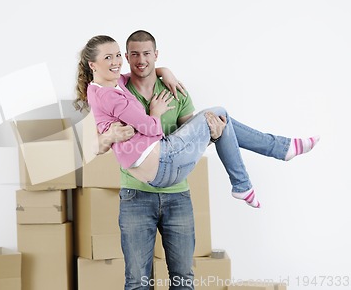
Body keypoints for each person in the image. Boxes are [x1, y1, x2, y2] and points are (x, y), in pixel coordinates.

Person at [73, 31, 319, 290]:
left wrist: (214, 134)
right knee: (137, 281)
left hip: (176, 192)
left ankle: (265, 164)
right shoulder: (117, 86)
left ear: (156, 55)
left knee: (183, 280)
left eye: (146, 54)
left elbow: (190, 135)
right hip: (137, 194)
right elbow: (92, 146)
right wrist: (110, 135)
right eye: (133, 54)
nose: (140, 60)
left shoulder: (174, 91)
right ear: (126, 57)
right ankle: (265, 163)